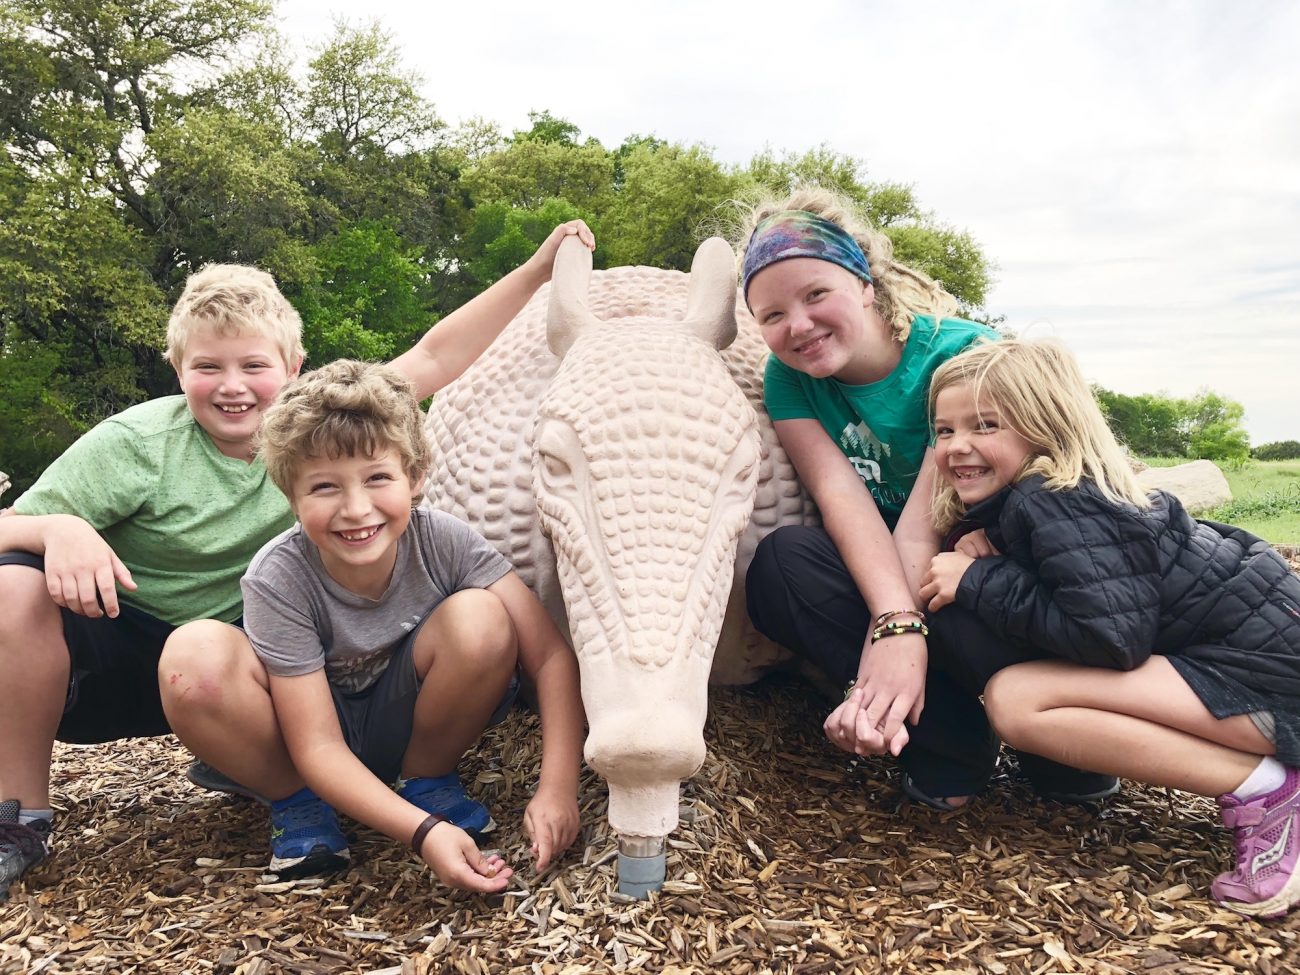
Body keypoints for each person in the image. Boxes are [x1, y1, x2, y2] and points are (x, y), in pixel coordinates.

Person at [0, 220, 594, 900]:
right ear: (178, 370)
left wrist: (538, 269)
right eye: (207, 367)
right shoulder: (138, 444)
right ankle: (21, 815)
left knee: (479, 618)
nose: (233, 386)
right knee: (13, 580)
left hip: (267, 659)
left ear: (292, 369)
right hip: (133, 642)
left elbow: (435, 353)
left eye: (254, 365)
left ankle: (408, 778)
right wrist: (52, 527)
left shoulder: (327, 436)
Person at [917, 339, 1300, 917]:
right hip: (1259, 661)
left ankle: (1270, 792)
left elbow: (1109, 640)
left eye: (985, 424)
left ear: (1045, 426)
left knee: (1021, 702)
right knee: (1023, 693)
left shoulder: (1057, 500)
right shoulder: (1057, 494)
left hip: (1275, 687)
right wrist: (994, 557)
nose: (957, 446)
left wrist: (979, 582)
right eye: (944, 431)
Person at [183, 359, 582, 889]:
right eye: (324, 487)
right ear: (290, 495)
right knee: (192, 657)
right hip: (307, 738)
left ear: (414, 478)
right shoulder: (278, 577)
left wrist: (558, 786)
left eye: (377, 478)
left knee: (482, 617)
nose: (355, 508)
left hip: (406, 723)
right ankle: (298, 801)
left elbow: (550, 655)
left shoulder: (446, 541)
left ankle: (427, 779)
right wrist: (422, 835)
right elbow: (318, 744)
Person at [737, 187, 1031, 805]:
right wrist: (892, 627)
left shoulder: (960, 355)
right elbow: (846, 504)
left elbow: (926, 526)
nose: (799, 325)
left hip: (995, 557)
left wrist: (895, 632)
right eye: (771, 314)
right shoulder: (788, 378)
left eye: (817, 294)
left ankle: (1052, 741)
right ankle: (949, 737)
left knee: (965, 577)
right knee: (785, 565)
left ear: (866, 285)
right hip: (903, 565)